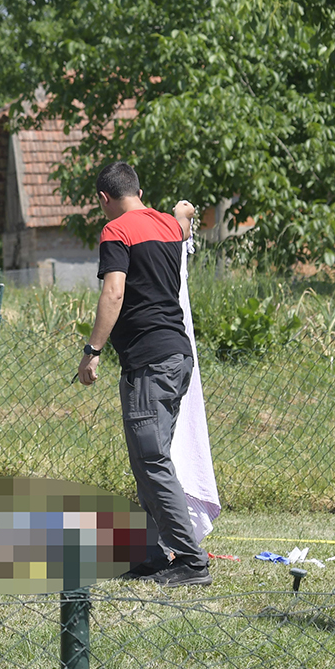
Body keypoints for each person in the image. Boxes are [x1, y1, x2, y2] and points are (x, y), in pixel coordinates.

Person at [75, 163, 212, 587]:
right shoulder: (167, 225)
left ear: (104, 198)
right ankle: (153, 554)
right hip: (177, 357)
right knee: (147, 460)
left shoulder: (116, 231)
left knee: (152, 461)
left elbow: (114, 291)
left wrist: (93, 351)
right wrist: (184, 211)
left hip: (149, 363)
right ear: (138, 190)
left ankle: (190, 560)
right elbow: (182, 221)